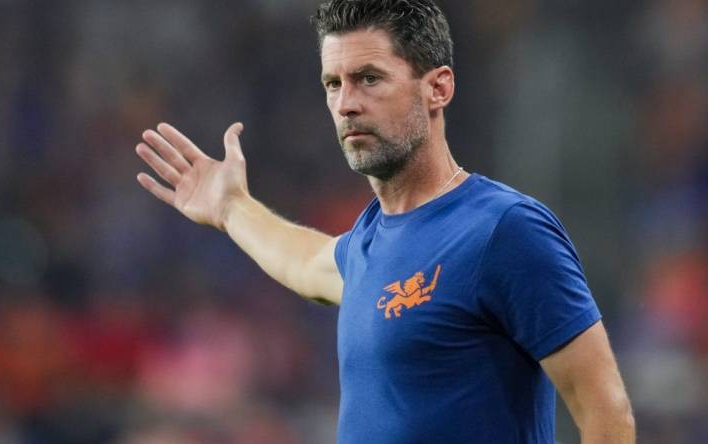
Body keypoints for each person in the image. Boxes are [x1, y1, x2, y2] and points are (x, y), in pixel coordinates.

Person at [134, 0, 635, 442]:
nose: (347, 103)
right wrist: (230, 208)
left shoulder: (504, 230)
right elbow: (307, 263)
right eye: (334, 83)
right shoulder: (371, 241)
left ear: (437, 88)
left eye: (369, 79)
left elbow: (605, 410)